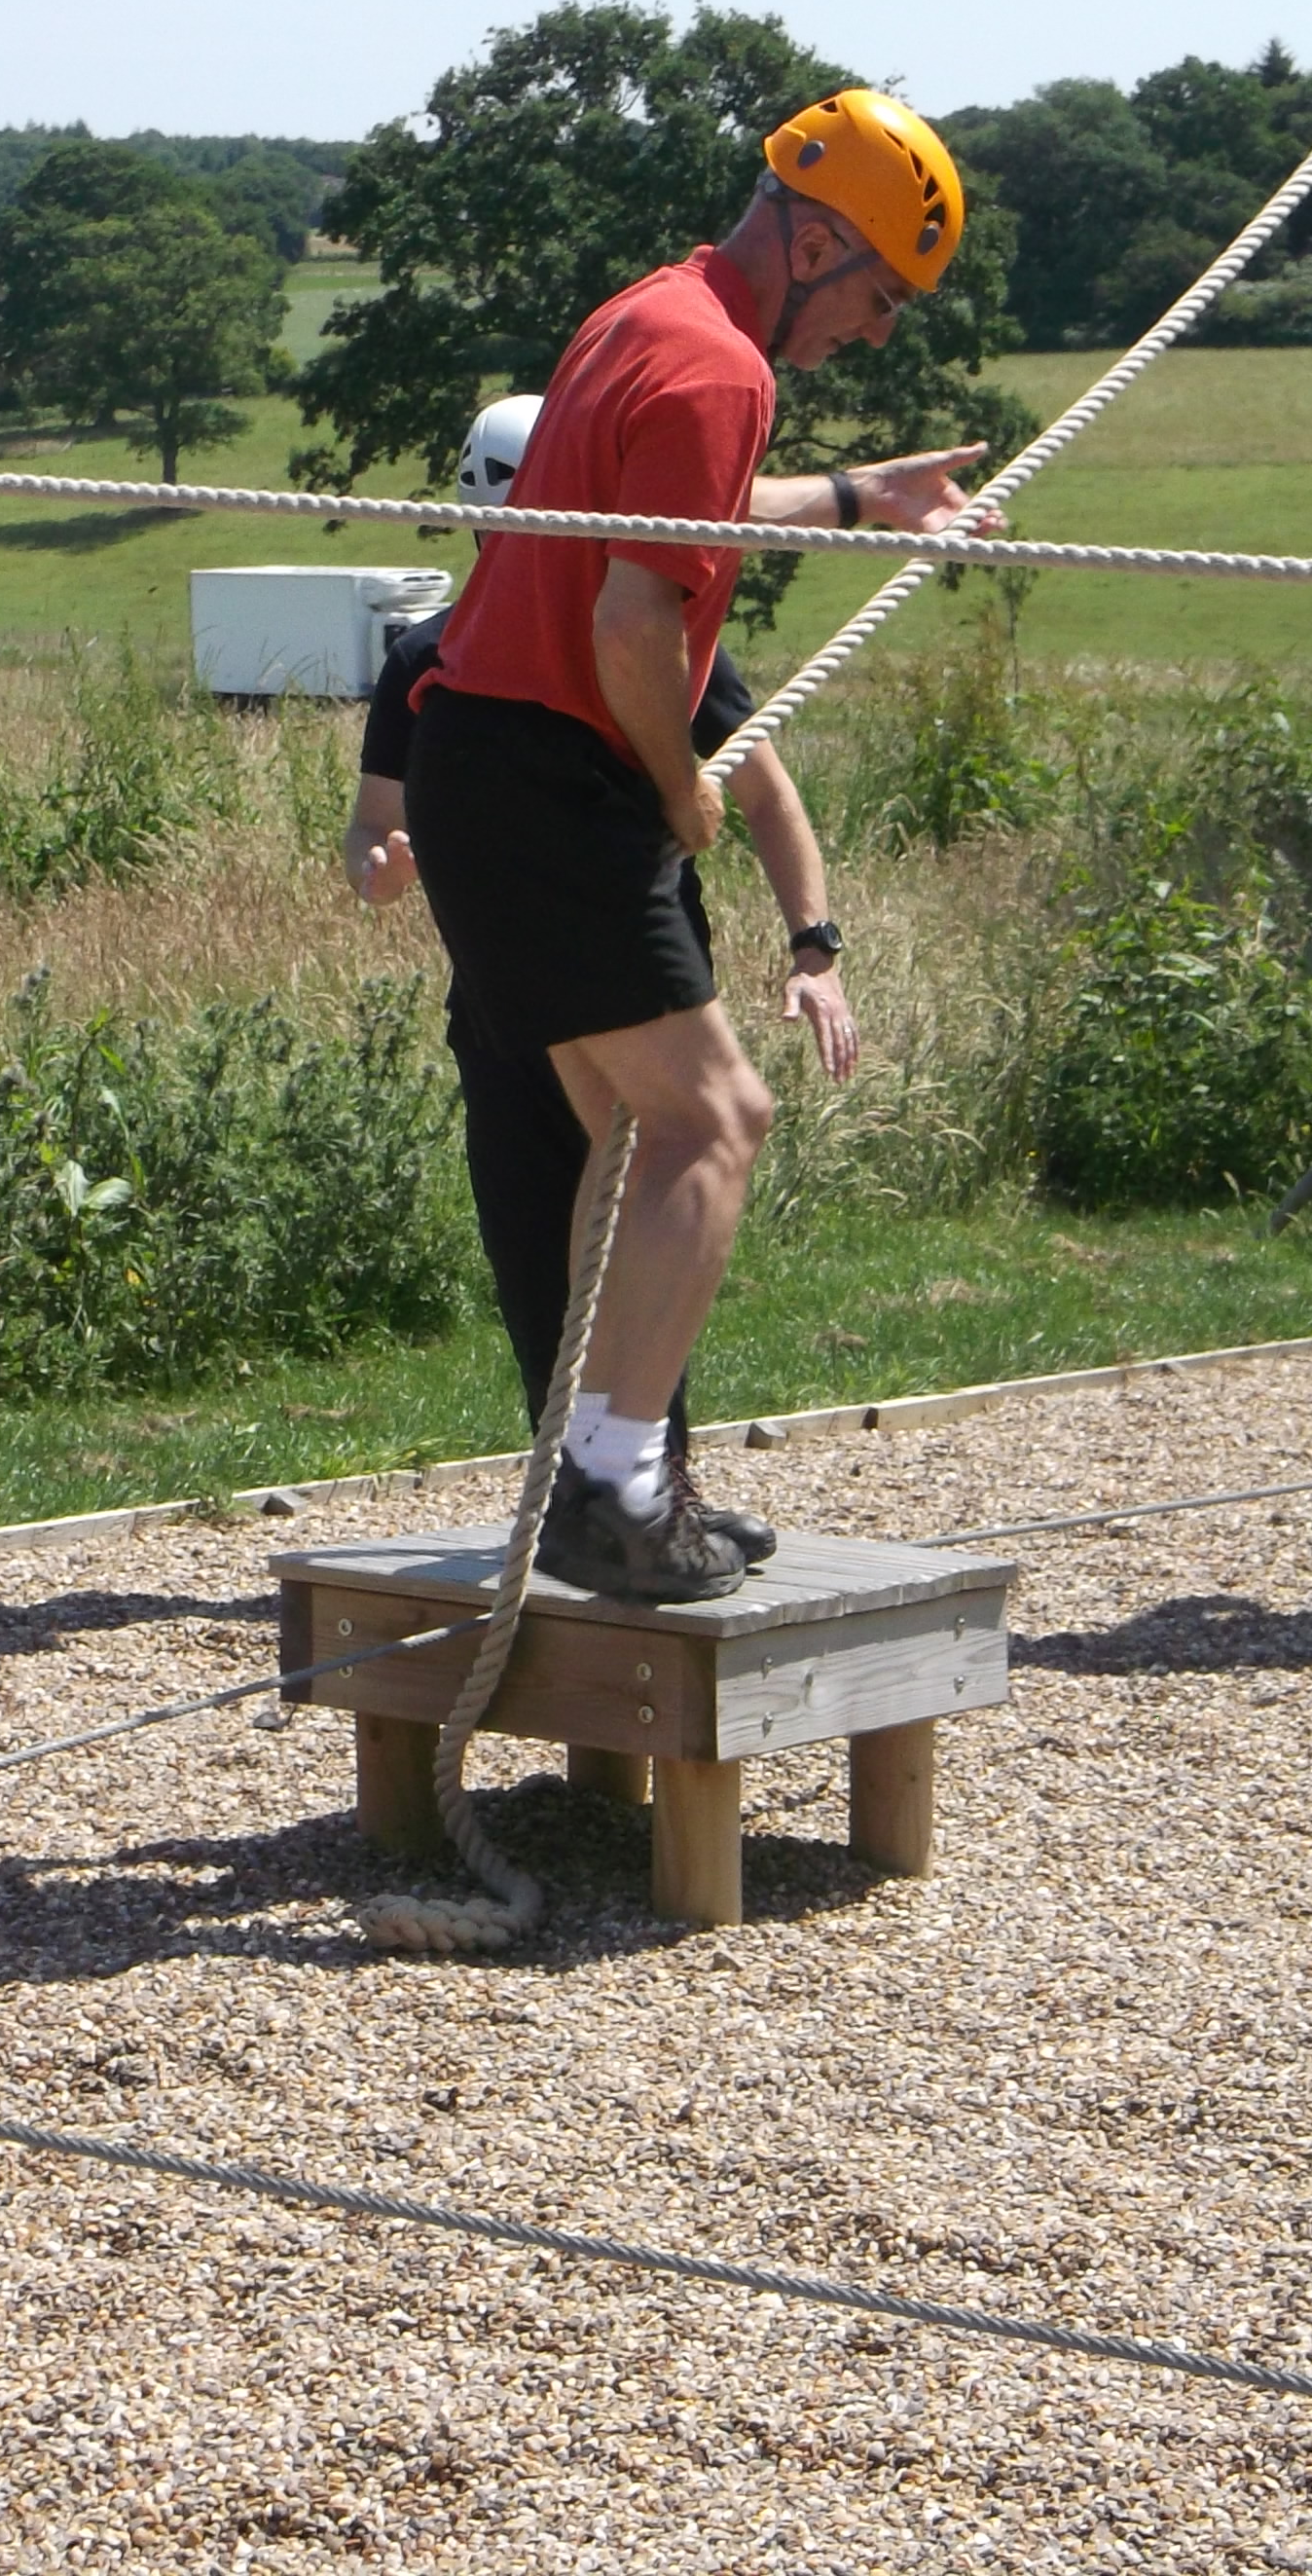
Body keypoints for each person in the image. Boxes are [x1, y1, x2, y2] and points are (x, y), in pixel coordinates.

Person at [402, 92, 984, 1601]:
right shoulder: (723, 363)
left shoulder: (651, 315)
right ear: (812, 236)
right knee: (719, 1120)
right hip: (552, 780)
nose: (871, 334)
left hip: (489, 766)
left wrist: (865, 498)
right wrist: (678, 791)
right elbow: (631, 619)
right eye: (875, 295)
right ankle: (613, 1484)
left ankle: (611, 1475)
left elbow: (678, 512)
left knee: (632, 1133)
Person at [344, 393, 860, 1561]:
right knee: (549, 1269)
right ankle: (586, 1503)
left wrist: (813, 945)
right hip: (504, 1020)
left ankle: (644, 1488)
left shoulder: (649, 636)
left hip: (636, 998)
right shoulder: (429, 663)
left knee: (650, 1223)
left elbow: (766, 794)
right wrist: (381, 868)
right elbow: (373, 823)